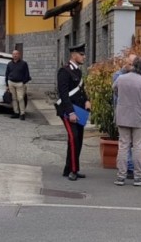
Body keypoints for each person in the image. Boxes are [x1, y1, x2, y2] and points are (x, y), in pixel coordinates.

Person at [112, 57, 141, 187]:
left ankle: (121, 176)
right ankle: (138, 177)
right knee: (138, 147)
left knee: (123, 146)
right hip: (140, 118)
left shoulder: (121, 78)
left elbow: (114, 89)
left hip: (123, 116)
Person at [56, 43, 91, 181]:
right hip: (68, 111)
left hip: (80, 110)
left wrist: (87, 100)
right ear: (73, 55)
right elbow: (64, 94)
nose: (84, 57)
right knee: (73, 138)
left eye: (83, 54)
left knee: (79, 140)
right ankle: (73, 170)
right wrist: (70, 113)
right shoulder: (64, 71)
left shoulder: (78, 71)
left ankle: (68, 168)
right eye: (81, 54)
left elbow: (81, 89)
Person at [5, 49, 32, 120]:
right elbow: (7, 74)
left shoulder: (24, 63)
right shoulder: (9, 64)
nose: (15, 55)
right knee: (14, 99)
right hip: (11, 83)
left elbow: (27, 74)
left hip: (20, 83)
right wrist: (7, 84)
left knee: (20, 98)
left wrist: (23, 82)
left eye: (16, 54)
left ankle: (22, 113)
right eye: (13, 54)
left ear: (19, 55)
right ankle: (16, 112)